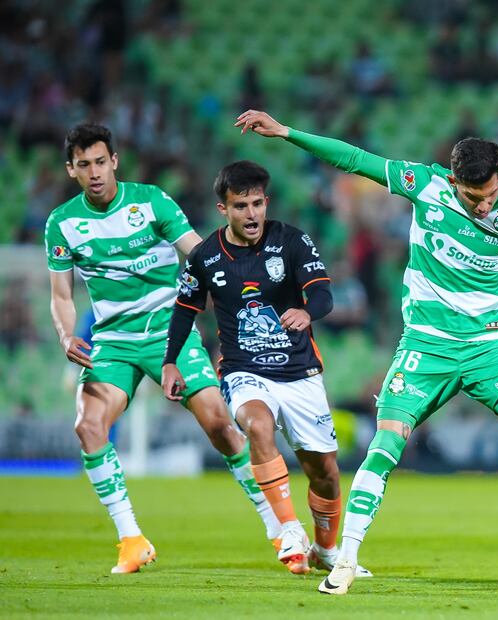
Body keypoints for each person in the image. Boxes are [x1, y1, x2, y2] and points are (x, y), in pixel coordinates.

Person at [233, 109, 498, 595]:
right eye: (473, 197)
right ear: (453, 180)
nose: (483, 205)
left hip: (487, 347)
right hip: (425, 347)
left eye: (490, 193)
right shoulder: (425, 185)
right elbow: (355, 159)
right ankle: (345, 560)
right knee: (386, 445)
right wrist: (287, 132)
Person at [45, 123, 280, 574]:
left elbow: (200, 254)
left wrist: (240, 305)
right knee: (88, 427)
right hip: (113, 341)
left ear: (114, 161)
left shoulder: (150, 201)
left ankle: (278, 527)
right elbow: (61, 295)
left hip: (170, 332)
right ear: (71, 170)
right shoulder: (63, 223)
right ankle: (132, 539)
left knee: (219, 424)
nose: (94, 172)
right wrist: (66, 334)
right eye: (84, 165)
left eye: (100, 162)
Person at [161, 160, 372, 577]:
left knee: (325, 472)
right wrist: (170, 362)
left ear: (266, 202)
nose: (251, 213)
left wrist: (307, 312)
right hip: (243, 370)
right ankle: (288, 528)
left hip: (300, 372)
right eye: (241, 206)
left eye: (257, 203)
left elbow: (323, 295)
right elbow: (184, 309)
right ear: (224, 209)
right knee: (257, 425)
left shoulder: (291, 240)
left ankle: (325, 550)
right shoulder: (205, 256)